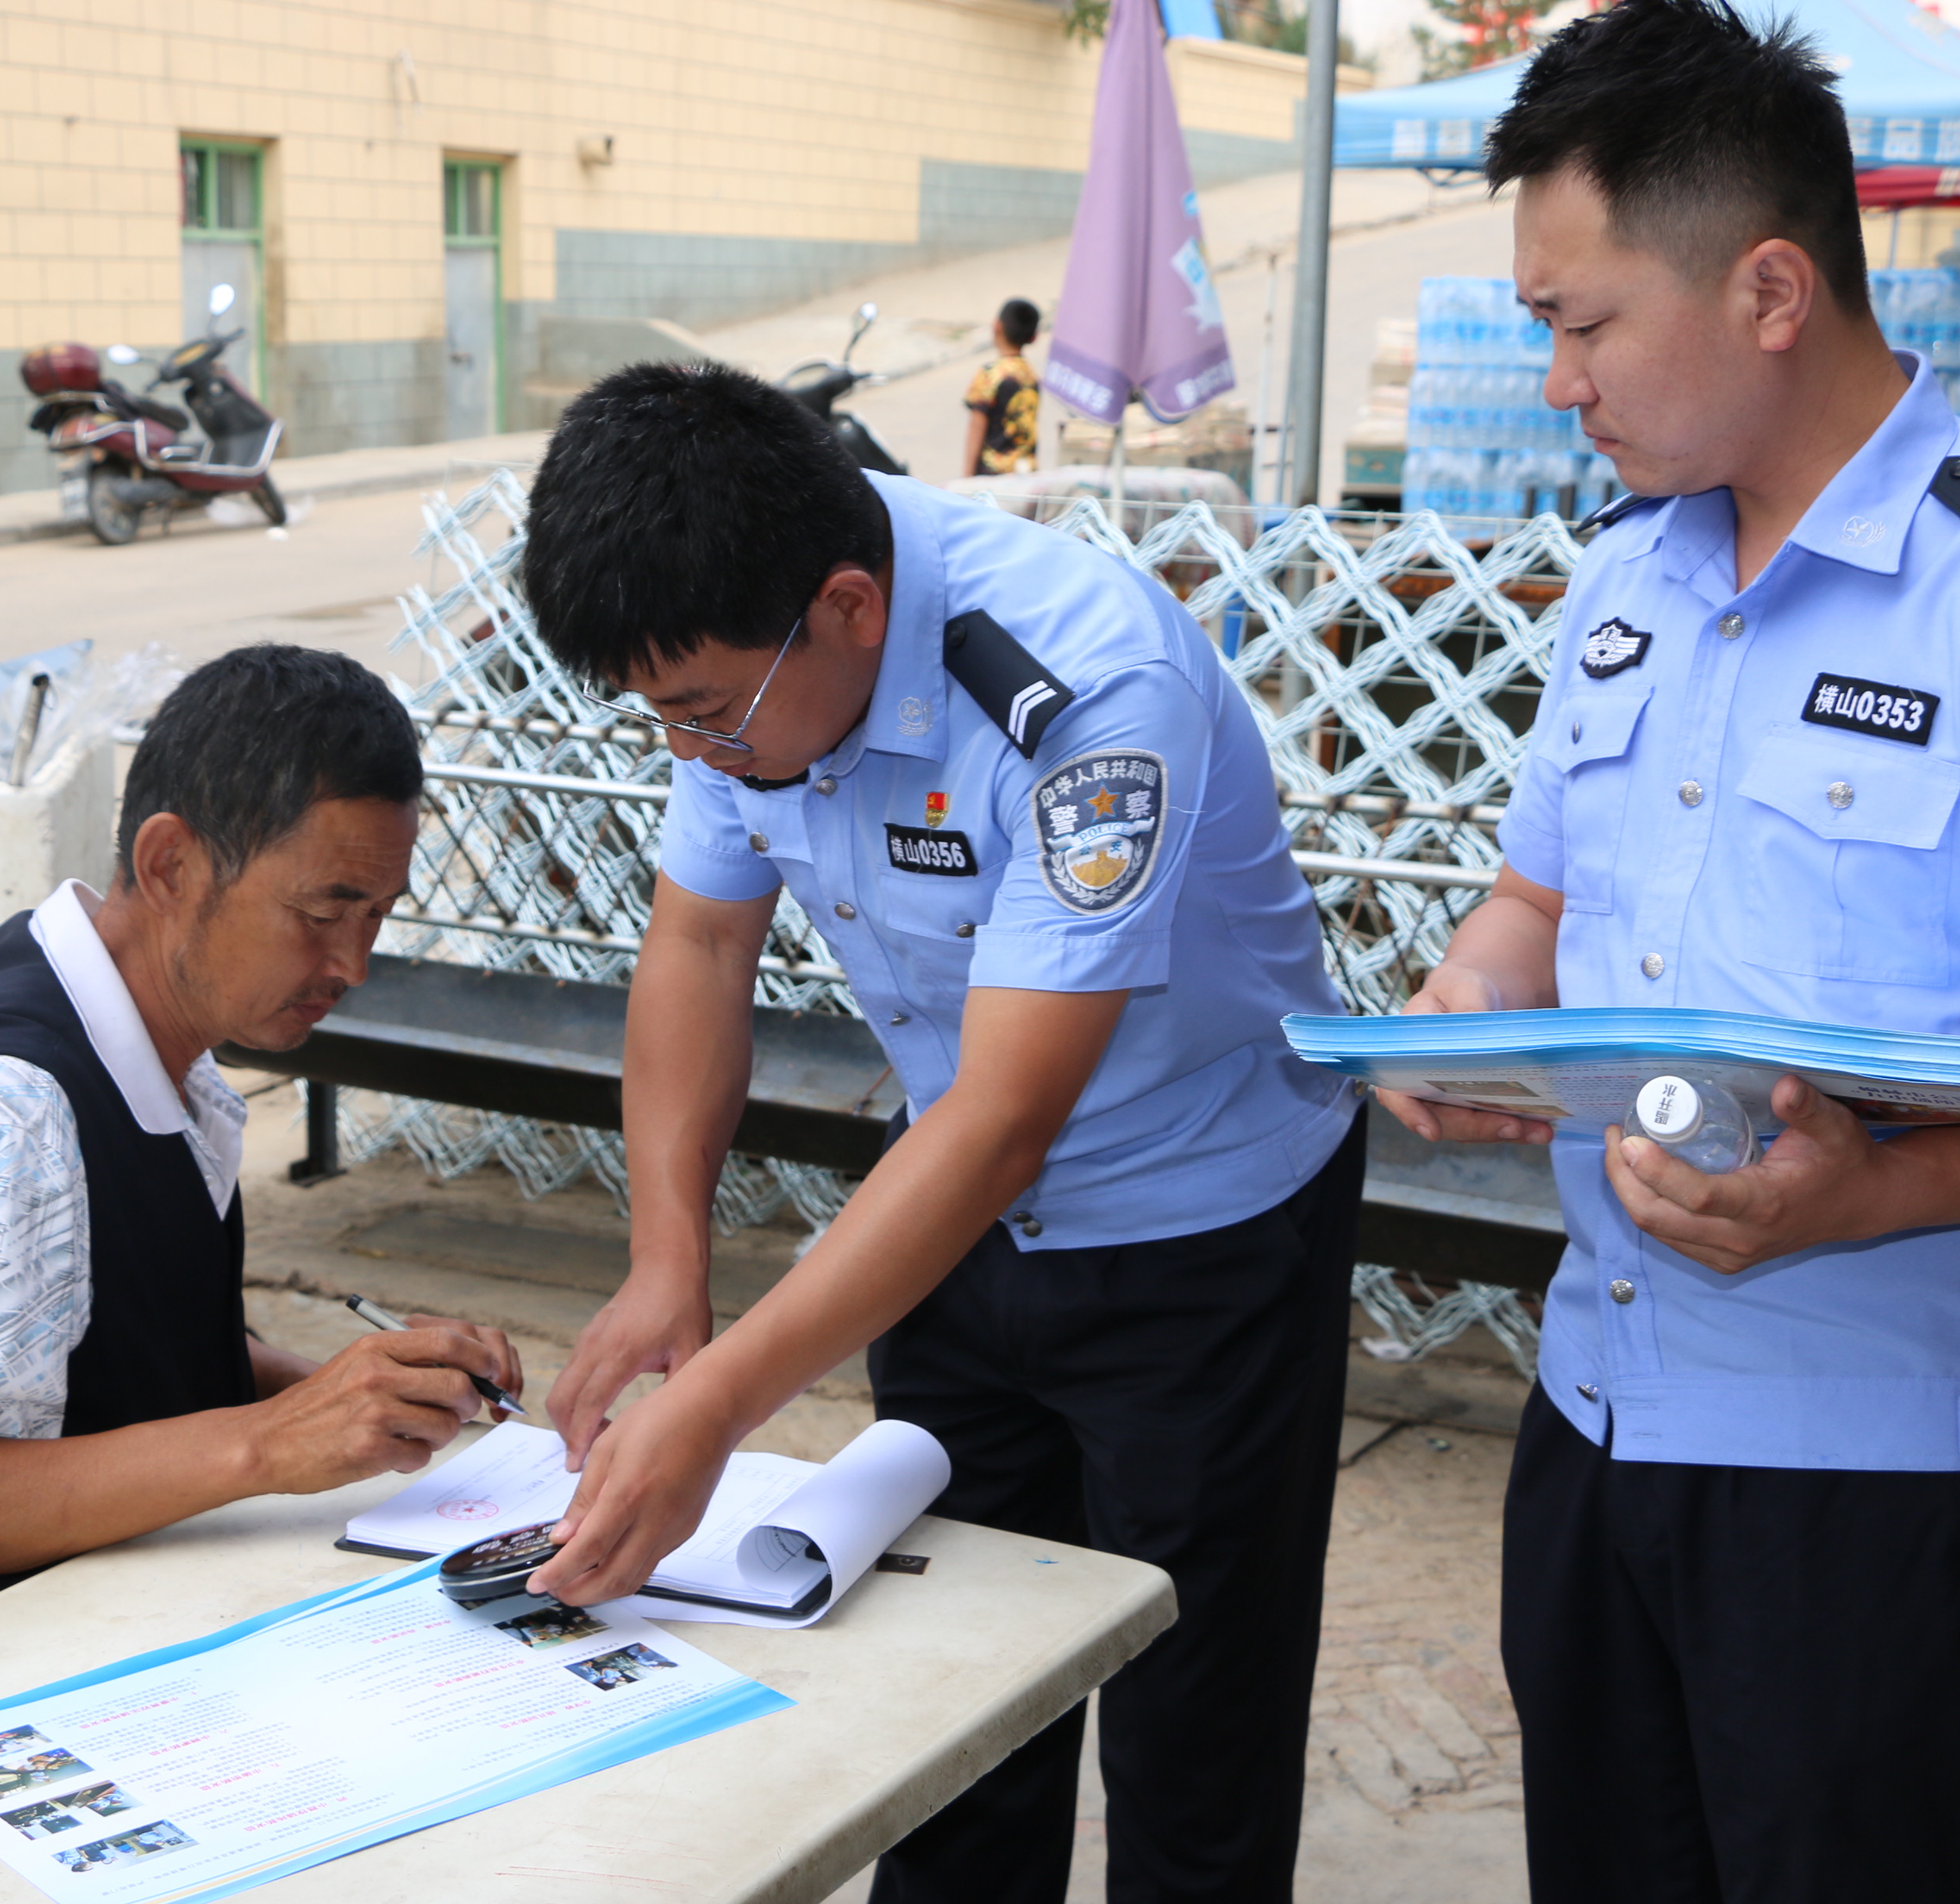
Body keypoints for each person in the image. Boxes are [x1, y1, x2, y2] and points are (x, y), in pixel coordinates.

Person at [1378, 2, 1960, 1894]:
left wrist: (1862, 1196)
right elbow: (1534, 898)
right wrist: (1473, 1001)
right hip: (1597, 1417)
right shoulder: (1630, 573)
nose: (1559, 382)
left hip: (1877, 1491)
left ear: (1770, 288)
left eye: (1584, 324)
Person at [516, 360, 1365, 1903]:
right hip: (948, 1226)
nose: (689, 752)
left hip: (1199, 1232)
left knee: (1194, 1734)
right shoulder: (747, 650)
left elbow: (1006, 1117)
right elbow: (698, 944)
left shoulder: (1085, 687)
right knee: (943, 1718)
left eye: (702, 714)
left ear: (849, 609)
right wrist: (664, 1257)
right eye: (662, 719)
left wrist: (716, 1401)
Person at [0, 644, 522, 1685]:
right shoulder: (9, 1111)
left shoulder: (147, 1037)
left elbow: (105, 1340)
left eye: (377, 917)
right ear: (171, 864)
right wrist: (267, 1441)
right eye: (322, 913)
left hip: (94, 1640)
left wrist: (348, 1392)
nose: (352, 964)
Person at [963, 298, 1043, 478]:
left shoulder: (989, 375)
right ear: (1034, 337)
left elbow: (977, 426)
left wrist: (967, 476)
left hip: (993, 474)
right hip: (1027, 472)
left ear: (997, 327)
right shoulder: (1031, 376)